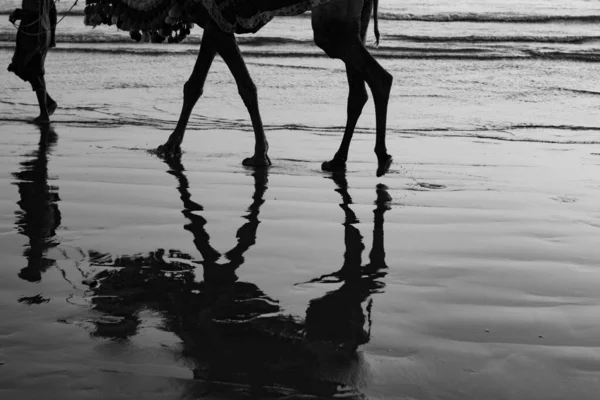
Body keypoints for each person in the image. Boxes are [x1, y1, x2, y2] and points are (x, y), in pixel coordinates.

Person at [8, 0, 57, 123]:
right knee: (34, 69)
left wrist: (18, 13)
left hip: (32, 32)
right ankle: (48, 105)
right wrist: (52, 35)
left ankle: (45, 112)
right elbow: (52, 11)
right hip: (45, 32)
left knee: (20, 67)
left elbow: (33, 14)